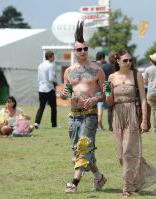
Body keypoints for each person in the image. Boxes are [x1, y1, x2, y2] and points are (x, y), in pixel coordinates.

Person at [105, 49, 156, 197]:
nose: (128, 63)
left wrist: (144, 120)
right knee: (120, 154)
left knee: (128, 153)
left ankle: (127, 188)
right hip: (117, 116)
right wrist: (106, 92)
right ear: (117, 61)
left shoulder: (137, 75)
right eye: (125, 60)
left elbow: (143, 99)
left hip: (132, 114)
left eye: (130, 60)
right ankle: (140, 177)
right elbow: (109, 102)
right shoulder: (111, 77)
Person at [60, 21, 107, 193]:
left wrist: (95, 99)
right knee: (78, 152)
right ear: (74, 51)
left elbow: (106, 92)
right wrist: (63, 95)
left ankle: (74, 183)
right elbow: (64, 94)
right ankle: (99, 176)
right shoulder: (68, 71)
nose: (83, 52)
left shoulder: (98, 70)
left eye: (85, 49)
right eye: (79, 49)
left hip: (90, 115)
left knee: (84, 147)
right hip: (74, 115)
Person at [34, 51, 58, 129]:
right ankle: (54, 125)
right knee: (53, 107)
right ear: (50, 57)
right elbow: (51, 78)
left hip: (41, 88)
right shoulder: (51, 65)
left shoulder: (40, 65)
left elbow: (38, 78)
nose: (54, 58)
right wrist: (56, 81)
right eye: (53, 56)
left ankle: (37, 123)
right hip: (49, 88)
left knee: (41, 107)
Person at [102, 52, 116, 131]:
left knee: (109, 109)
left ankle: (110, 126)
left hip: (107, 86)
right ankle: (116, 124)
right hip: (116, 86)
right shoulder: (117, 67)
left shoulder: (104, 66)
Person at [95, 51, 107, 131]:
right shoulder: (104, 66)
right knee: (100, 108)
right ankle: (99, 123)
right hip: (101, 90)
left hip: (92, 90)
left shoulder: (91, 65)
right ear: (102, 58)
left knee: (93, 109)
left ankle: (98, 125)